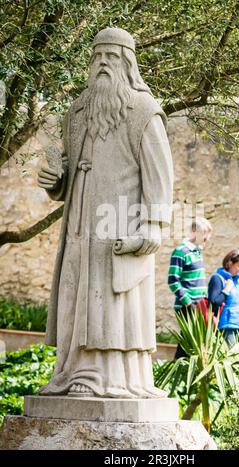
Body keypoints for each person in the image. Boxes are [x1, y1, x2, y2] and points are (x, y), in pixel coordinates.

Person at [37, 27, 173, 399]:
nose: (102, 64)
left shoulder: (144, 111)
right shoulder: (78, 111)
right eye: (97, 57)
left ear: (127, 63)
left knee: (113, 304)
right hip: (79, 227)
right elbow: (68, 173)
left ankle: (109, 380)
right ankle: (69, 373)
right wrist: (56, 180)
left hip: (119, 226)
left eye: (111, 57)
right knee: (76, 293)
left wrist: (153, 225)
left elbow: (159, 173)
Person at [168, 218, 212, 358]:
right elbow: (173, 281)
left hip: (199, 305)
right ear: (194, 231)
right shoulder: (181, 251)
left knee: (194, 346)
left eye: (208, 233)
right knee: (187, 345)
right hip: (187, 306)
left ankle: (185, 377)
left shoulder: (197, 252)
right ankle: (177, 375)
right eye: (204, 233)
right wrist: (189, 303)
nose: (207, 237)